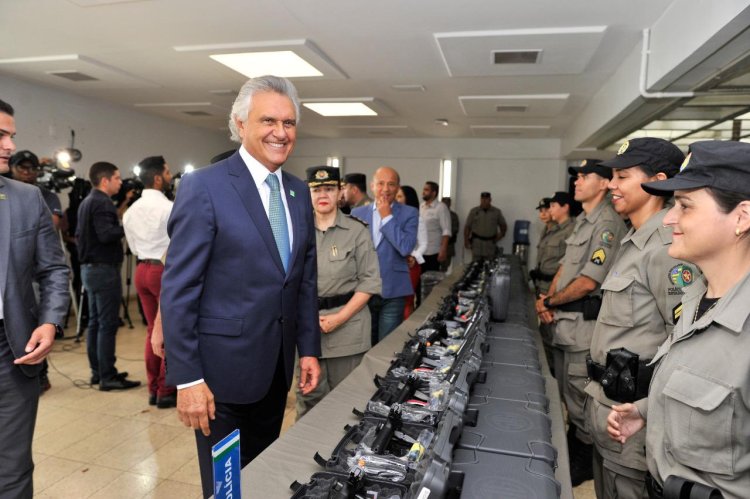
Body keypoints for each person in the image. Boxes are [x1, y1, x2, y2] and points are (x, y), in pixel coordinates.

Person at [160, 75, 321, 499]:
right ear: (240, 123)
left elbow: (302, 280)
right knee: (226, 488)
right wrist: (187, 379)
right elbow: (178, 290)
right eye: (268, 120)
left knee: (263, 477)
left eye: (289, 123)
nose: (280, 132)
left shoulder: (298, 191)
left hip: (275, 372)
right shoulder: (205, 187)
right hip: (218, 380)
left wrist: (308, 348)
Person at [607, 141, 750, 499]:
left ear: (742, 218)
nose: (669, 218)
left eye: (685, 206)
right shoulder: (698, 298)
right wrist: (647, 410)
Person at [584, 138, 691, 499]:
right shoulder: (634, 238)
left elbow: (683, 340)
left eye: (623, 176)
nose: (612, 184)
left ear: (658, 181)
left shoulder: (665, 247)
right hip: (607, 409)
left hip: (633, 419)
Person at [535, 160, 628, 486]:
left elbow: (589, 281)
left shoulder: (607, 222)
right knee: (567, 398)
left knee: (580, 402)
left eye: (585, 176)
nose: (577, 181)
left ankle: (584, 463)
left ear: (604, 184)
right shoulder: (584, 222)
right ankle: (575, 453)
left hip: (582, 328)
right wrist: (546, 299)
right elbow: (564, 268)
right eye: (576, 176)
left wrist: (549, 301)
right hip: (564, 321)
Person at [0, 99, 69, 498]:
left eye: (11, 136)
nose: (9, 145)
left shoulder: (27, 199)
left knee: (11, 468)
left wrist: (49, 320)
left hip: (10, 351)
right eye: (1, 135)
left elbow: (54, 270)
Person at [295, 166, 380, 419]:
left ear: (339, 192)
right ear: (308, 193)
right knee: (309, 403)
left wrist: (338, 318)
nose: (323, 194)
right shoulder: (296, 232)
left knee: (348, 405)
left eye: (329, 189)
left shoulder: (357, 231)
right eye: (317, 189)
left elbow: (370, 282)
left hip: (349, 330)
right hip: (308, 333)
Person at [76, 161, 140, 391]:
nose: (120, 182)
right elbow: (106, 234)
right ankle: (108, 376)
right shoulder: (102, 203)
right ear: (105, 180)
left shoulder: (87, 201)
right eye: (117, 178)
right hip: (103, 270)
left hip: (89, 269)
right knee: (107, 324)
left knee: (95, 323)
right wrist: (130, 226)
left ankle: (98, 372)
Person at [8, 150, 65, 393]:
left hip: (34, 278)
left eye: (32, 168)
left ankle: (39, 372)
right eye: (22, 168)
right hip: (12, 279)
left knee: (33, 329)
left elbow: (51, 227)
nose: (27, 173)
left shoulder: (44, 196)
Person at [123, 155, 176, 408]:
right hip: (163, 271)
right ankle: (166, 389)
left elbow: (132, 246)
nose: (169, 176)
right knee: (169, 331)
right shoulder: (169, 208)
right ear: (157, 178)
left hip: (142, 269)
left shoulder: (131, 210)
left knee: (151, 332)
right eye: (166, 173)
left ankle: (153, 388)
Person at [352, 167, 417, 344]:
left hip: (393, 289)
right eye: (381, 183)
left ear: (398, 188)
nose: (386, 189)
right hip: (362, 289)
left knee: (386, 345)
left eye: (391, 184)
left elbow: (405, 248)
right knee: (364, 342)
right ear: (372, 186)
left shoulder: (409, 213)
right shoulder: (356, 214)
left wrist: (387, 217)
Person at [397, 185, 427, 318]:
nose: (396, 199)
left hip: (410, 265)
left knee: (406, 302)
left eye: (399, 196)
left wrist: (413, 256)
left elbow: (424, 244)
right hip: (394, 264)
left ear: (407, 199)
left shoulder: (417, 218)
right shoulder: (391, 217)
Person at [463, 191, 507, 261]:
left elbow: (503, 225)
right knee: (475, 265)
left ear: (490, 200)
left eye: (486, 199)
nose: (484, 201)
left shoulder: (496, 212)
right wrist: (466, 240)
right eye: (482, 199)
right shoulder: (474, 211)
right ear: (480, 199)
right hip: (477, 243)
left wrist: (499, 236)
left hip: (490, 244)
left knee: (489, 265)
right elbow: (467, 227)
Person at [419, 181, 451, 272]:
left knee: (430, 280)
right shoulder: (422, 206)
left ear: (434, 193)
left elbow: (446, 230)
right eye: (423, 189)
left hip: (433, 252)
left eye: (426, 190)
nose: (423, 192)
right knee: (420, 280)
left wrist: (443, 249)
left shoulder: (441, 208)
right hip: (421, 251)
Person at [440, 197, 459, 272]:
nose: (445, 204)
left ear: (450, 204)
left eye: (447, 202)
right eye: (444, 203)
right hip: (436, 244)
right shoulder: (436, 213)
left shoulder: (453, 216)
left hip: (448, 244)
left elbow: (455, 229)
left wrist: (445, 238)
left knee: (445, 265)